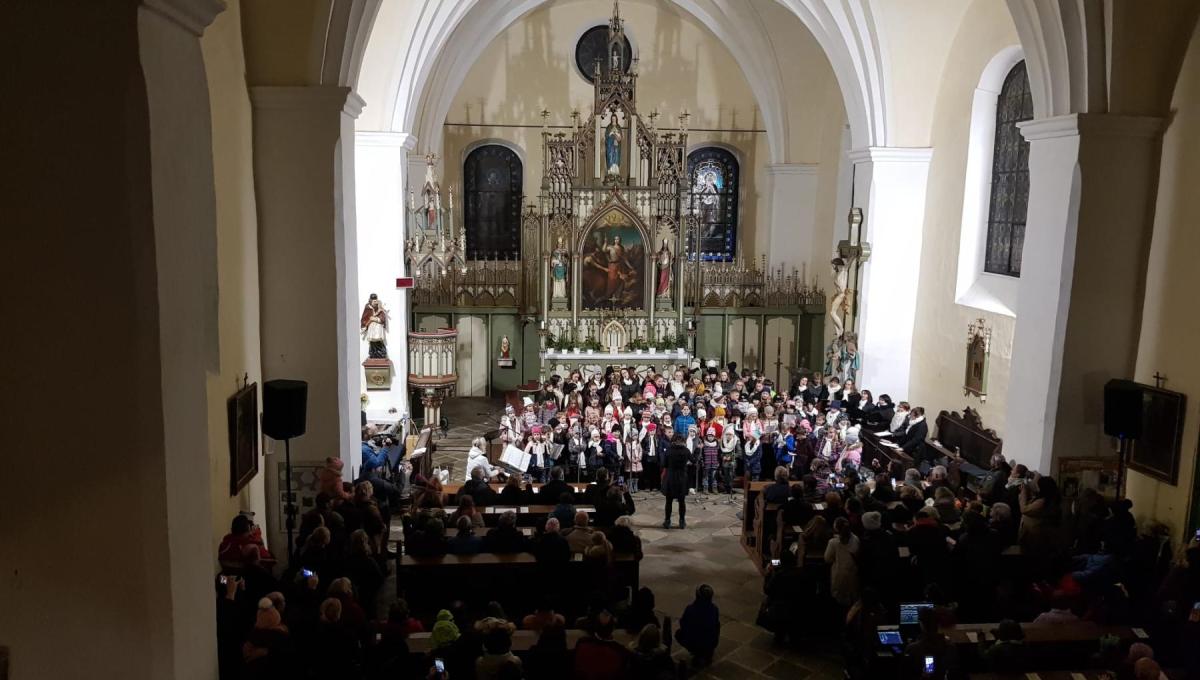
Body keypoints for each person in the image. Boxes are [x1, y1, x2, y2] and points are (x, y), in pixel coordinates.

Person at [676, 584, 720, 666]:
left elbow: (683, 624)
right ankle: (707, 651)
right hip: (710, 642)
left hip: (695, 642)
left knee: (679, 633)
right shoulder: (714, 609)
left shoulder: (691, 609)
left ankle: (697, 652)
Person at [825, 517, 860, 608]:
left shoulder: (833, 542)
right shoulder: (856, 539)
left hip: (839, 573)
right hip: (853, 573)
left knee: (839, 600)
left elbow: (827, 559)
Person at [662, 434, 691, 529]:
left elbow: (664, 464)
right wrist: (698, 450)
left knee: (669, 501)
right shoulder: (686, 451)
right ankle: (682, 522)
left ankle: (667, 521)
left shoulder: (669, 450)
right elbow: (694, 460)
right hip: (682, 477)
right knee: (682, 501)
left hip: (670, 477)